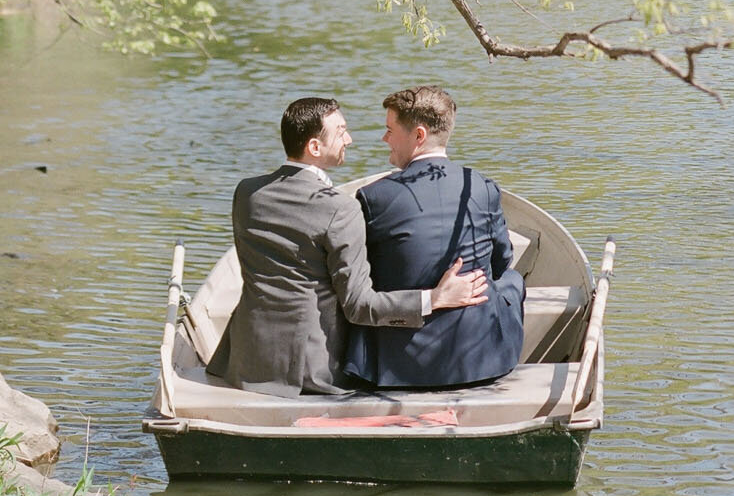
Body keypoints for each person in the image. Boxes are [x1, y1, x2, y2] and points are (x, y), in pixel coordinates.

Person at [209, 94, 489, 396]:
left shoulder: (248, 193)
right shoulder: (339, 209)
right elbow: (359, 307)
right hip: (310, 372)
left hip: (244, 361)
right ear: (314, 147)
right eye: (341, 131)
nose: (350, 139)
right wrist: (433, 299)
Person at [343, 85, 526, 392]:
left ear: (418, 135)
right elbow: (501, 261)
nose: (384, 139)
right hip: (482, 363)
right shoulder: (481, 187)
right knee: (513, 279)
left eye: (389, 130)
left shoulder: (374, 198)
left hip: (397, 368)